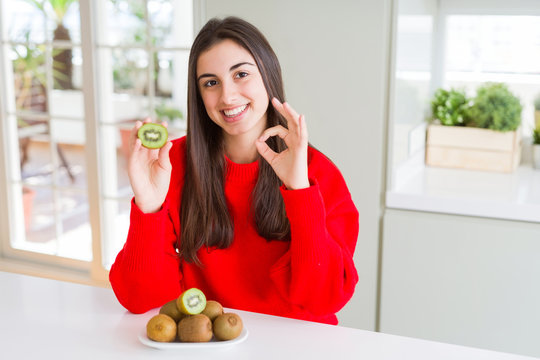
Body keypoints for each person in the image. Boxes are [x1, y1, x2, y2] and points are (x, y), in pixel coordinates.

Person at [109, 16, 359, 325]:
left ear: (268, 74)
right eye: (211, 83)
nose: (227, 97)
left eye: (241, 74)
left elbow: (324, 300)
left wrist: (300, 191)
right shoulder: (172, 165)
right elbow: (138, 299)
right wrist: (149, 205)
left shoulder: (318, 172)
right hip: (206, 343)